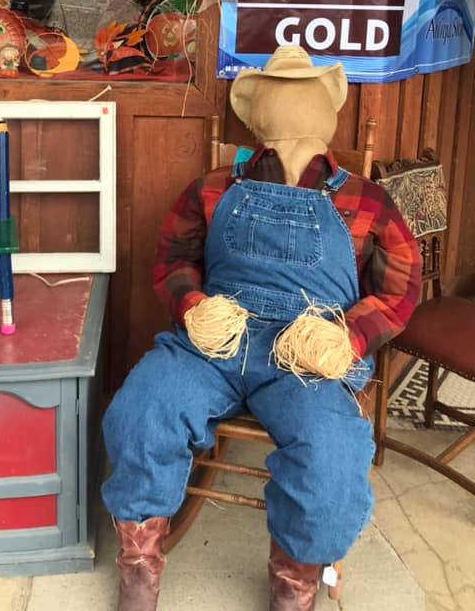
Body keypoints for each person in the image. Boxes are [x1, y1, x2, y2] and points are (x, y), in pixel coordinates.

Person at [102, 46, 421, 611]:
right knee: (142, 411)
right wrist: (194, 306)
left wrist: (347, 336)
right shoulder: (212, 186)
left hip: (308, 356)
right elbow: (173, 260)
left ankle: (294, 586)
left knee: (332, 457)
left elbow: (400, 287)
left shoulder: (366, 199)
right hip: (214, 342)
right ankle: (139, 566)